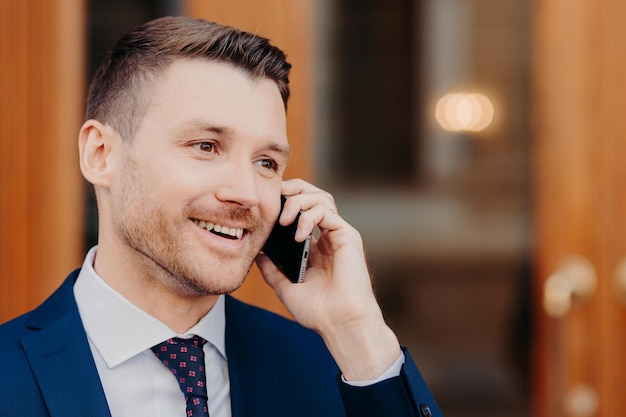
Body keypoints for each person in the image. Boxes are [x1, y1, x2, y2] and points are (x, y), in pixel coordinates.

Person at [0, 16, 442, 417]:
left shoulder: (339, 370)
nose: (247, 194)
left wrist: (358, 331)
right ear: (101, 155)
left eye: (267, 163)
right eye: (206, 146)